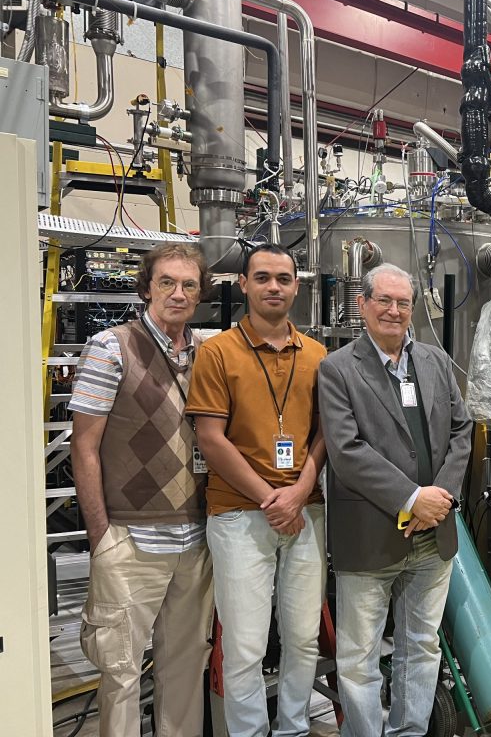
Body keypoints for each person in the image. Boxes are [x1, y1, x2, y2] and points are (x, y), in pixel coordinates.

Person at [318, 264, 473, 737]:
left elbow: (461, 430)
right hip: (370, 536)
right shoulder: (337, 368)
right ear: (362, 305)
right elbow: (346, 451)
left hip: (434, 533)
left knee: (421, 646)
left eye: (403, 302)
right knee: (360, 657)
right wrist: (411, 498)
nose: (394, 310)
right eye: (383, 300)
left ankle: (409, 732)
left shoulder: (434, 359)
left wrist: (438, 499)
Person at [70, 243, 214, 737]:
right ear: (147, 287)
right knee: (121, 672)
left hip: (195, 542)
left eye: (189, 284)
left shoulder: (207, 354)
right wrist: (101, 538)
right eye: (167, 282)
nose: (178, 293)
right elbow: (84, 448)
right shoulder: (112, 347)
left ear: (201, 292)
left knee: (185, 668)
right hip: (130, 541)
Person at [186, 244, 328, 737]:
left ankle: (292, 728)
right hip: (239, 515)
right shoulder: (217, 352)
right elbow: (210, 437)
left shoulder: (316, 355)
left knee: (303, 637)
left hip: (305, 512)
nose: (274, 287)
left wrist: (300, 489)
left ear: (296, 286)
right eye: (263, 278)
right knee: (245, 645)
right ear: (243, 284)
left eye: (284, 279)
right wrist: (272, 498)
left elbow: (323, 435)